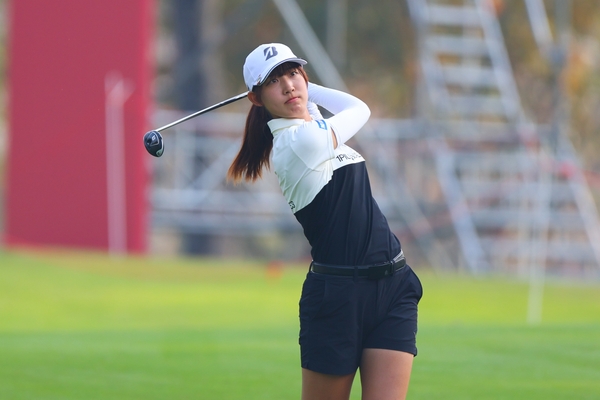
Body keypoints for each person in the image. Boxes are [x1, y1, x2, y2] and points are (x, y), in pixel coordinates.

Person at [228, 43, 423, 400]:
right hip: (337, 297)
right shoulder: (296, 142)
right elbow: (358, 108)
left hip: (393, 286)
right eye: (273, 81)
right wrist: (305, 88)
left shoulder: (312, 122)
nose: (288, 86)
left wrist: (302, 89)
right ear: (256, 99)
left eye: (292, 73)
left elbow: (317, 108)